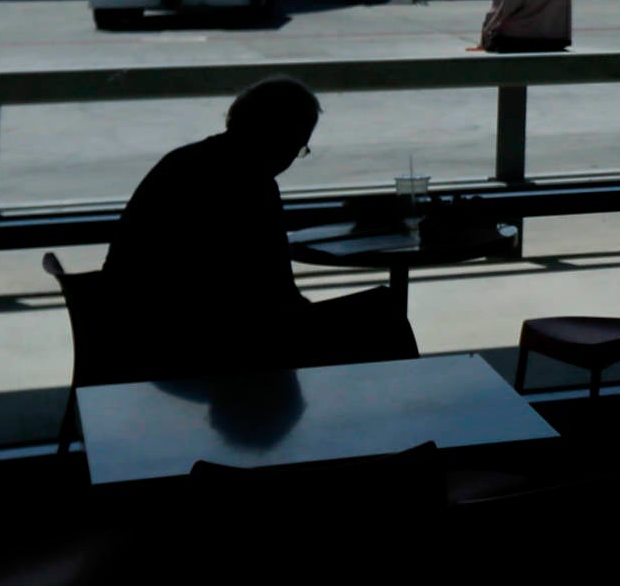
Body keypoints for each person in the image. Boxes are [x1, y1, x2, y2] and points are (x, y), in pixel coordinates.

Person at [108, 76, 411, 376]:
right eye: (297, 146)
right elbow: (274, 291)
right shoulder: (253, 185)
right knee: (381, 314)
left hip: (140, 327)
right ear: (282, 138)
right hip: (210, 341)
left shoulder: (184, 162)